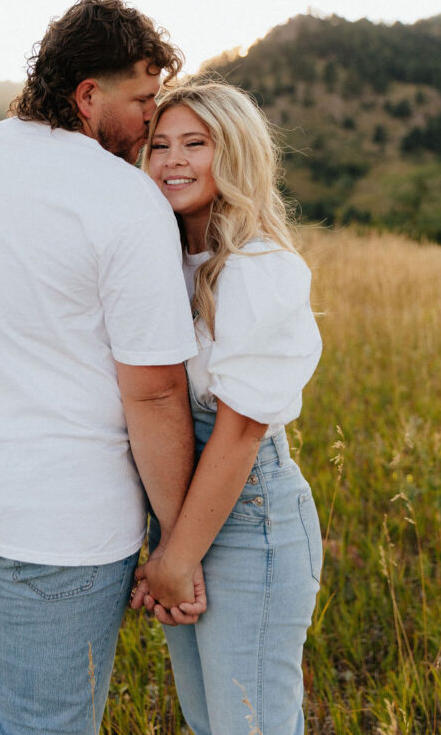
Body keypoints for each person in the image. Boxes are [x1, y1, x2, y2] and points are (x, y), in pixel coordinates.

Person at [0, 0, 204, 735]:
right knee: (38, 722)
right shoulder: (123, 200)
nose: (149, 124)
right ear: (88, 95)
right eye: (141, 101)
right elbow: (156, 392)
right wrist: (177, 539)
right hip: (55, 523)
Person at [133, 78, 323, 735]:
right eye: (158, 145)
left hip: (248, 518)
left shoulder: (257, 266)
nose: (172, 160)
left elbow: (239, 433)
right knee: (209, 721)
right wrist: (166, 547)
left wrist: (175, 562)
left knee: (251, 725)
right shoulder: (165, 258)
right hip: (182, 512)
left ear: (235, 153)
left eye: (195, 143)